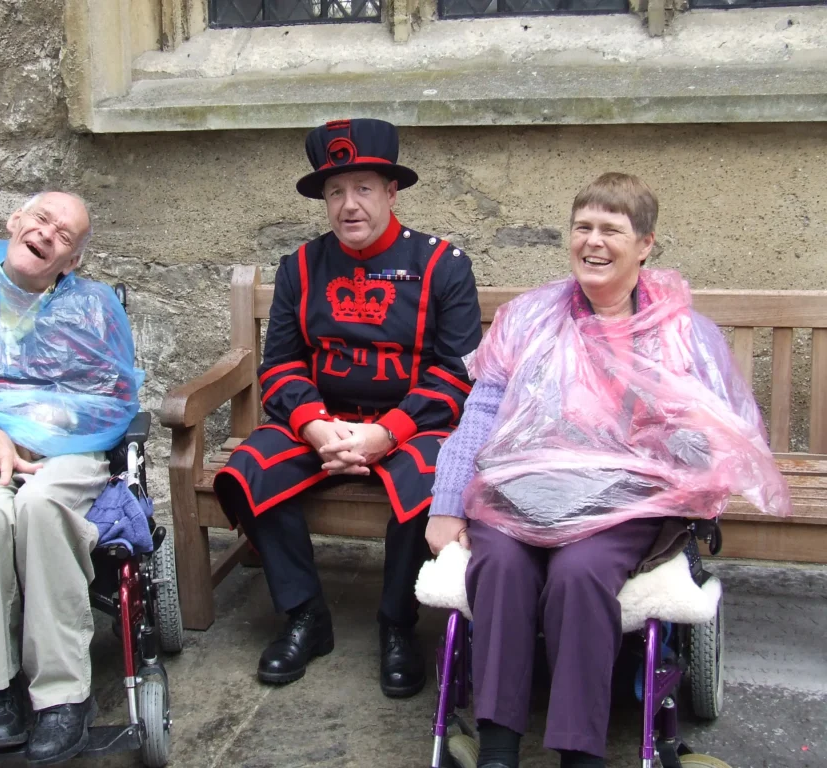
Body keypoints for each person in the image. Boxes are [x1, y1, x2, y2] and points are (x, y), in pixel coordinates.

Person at [426, 173, 788, 768]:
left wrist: (673, 433)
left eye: (611, 230)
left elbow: (716, 443)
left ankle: (579, 752)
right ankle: (496, 749)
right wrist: (446, 503)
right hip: (517, 494)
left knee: (580, 574)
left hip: (618, 503)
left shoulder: (679, 334)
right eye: (583, 227)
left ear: (645, 244)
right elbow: (482, 414)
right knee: (502, 566)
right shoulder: (528, 319)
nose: (593, 242)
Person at [213, 118, 482, 697]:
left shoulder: (444, 266)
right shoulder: (300, 268)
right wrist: (316, 428)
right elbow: (280, 365)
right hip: (324, 421)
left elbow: (455, 374)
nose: (348, 205)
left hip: (410, 425)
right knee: (247, 467)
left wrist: (385, 434)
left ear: (392, 191)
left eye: (363, 188)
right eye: (336, 191)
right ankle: (306, 615)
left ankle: (397, 624)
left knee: (432, 481)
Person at [0, 192, 142, 765]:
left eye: (65, 236)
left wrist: (46, 427)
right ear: (15, 221)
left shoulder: (91, 309)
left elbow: (113, 399)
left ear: (73, 262)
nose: (47, 234)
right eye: (42, 219)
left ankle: (64, 696)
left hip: (68, 450)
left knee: (40, 504)